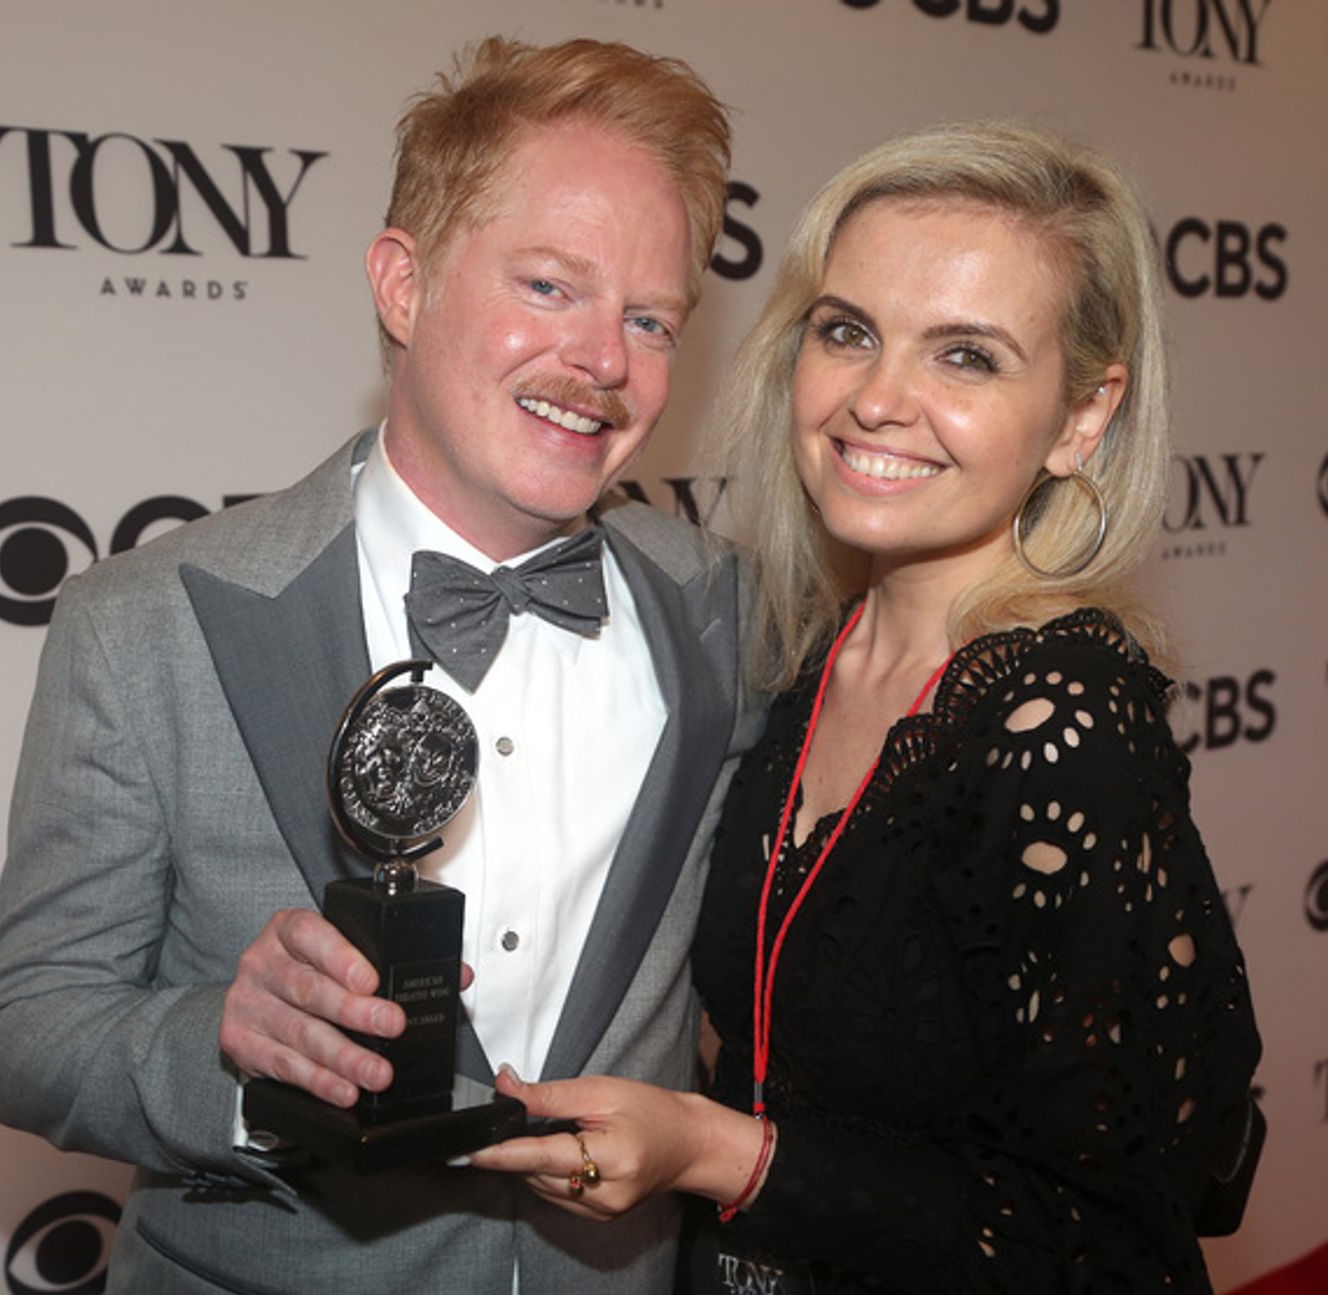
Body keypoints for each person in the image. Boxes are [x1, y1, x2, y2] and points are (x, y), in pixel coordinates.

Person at [0, 37, 763, 1294]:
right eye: (550, 286)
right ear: (403, 283)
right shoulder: (146, 620)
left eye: (649, 316)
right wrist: (225, 1046)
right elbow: (23, 1029)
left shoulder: (723, 608)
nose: (604, 360)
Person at [469, 122, 1262, 1292]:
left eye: (965, 357)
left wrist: (715, 1150)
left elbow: (1104, 1239)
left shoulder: (1059, 722)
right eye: (848, 332)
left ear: (1082, 416)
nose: (876, 399)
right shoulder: (799, 653)